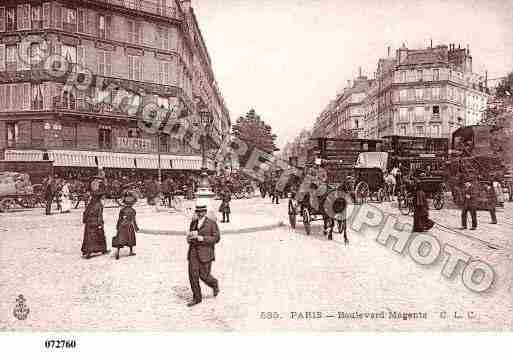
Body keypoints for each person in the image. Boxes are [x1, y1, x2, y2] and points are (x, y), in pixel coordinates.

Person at [186, 199, 220, 307]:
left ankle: (214, 284)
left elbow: (216, 238)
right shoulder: (193, 222)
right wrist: (189, 238)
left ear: (205, 212)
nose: (199, 214)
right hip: (193, 252)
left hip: (206, 254)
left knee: (204, 276)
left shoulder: (211, 223)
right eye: (198, 212)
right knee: (193, 275)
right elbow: (190, 235)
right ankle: (197, 298)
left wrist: (203, 238)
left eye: (201, 212)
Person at [81, 186, 109, 259]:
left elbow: (85, 213)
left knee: (88, 237)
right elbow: (100, 215)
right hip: (96, 222)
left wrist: (84, 220)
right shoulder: (99, 205)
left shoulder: (90, 204)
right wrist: (100, 224)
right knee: (100, 235)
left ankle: (87, 251)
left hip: (89, 223)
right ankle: (103, 249)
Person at [112, 191, 139, 260]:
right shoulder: (133, 210)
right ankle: (130, 251)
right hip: (129, 226)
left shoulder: (122, 210)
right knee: (130, 239)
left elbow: (119, 219)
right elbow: (133, 220)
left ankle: (117, 252)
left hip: (122, 226)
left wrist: (117, 226)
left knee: (120, 240)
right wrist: (136, 228)